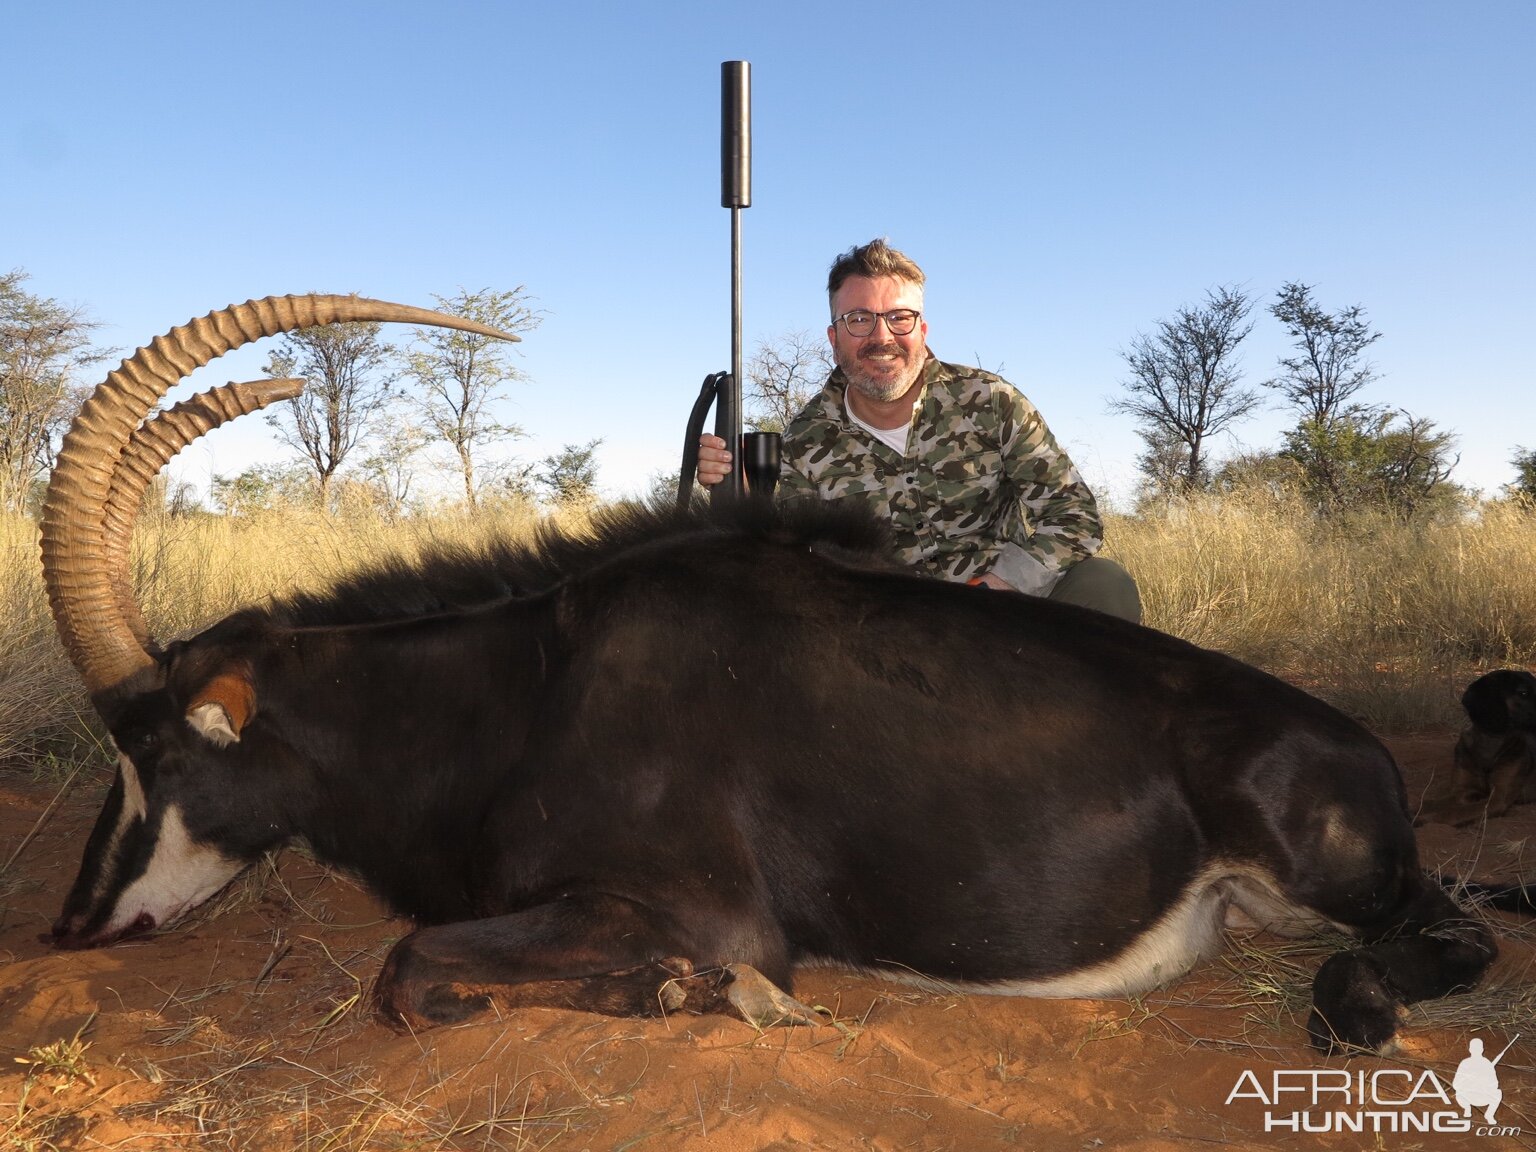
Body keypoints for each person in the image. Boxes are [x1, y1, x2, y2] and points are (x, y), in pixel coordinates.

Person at [697, 238, 1141, 623]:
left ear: (922, 330)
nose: (882, 336)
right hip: (895, 631)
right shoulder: (802, 442)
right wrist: (742, 498)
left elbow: (1073, 515)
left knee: (1104, 583)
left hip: (1008, 611)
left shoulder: (991, 400)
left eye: (899, 317)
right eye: (859, 319)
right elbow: (802, 567)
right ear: (834, 339)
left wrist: (998, 586)